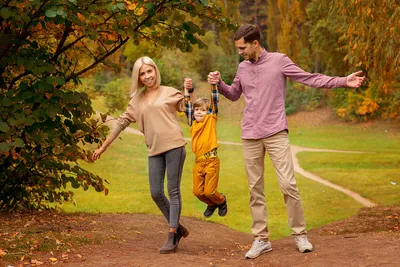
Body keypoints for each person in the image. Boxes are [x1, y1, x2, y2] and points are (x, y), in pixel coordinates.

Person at [207, 24, 365, 259]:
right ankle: (261, 239)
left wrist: (343, 81)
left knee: (288, 184)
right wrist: (218, 84)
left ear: (255, 43)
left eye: (242, 48)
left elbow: (310, 78)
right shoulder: (242, 67)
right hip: (250, 134)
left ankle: (300, 235)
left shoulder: (279, 61)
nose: (240, 52)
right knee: (255, 189)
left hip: (275, 131)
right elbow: (234, 94)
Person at [92, 56, 189, 254]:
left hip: (174, 146)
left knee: (173, 191)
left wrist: (188, 93)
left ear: (156, 71)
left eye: (149, 71)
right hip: (154, 149)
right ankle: (178, 228)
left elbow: (188, 111)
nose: (147, 76)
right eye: (142, 73)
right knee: (156, 193)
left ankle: (172, 235)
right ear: (138, 77)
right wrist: (103, 147)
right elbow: (120, 124)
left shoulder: (170, 92)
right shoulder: (136, 101)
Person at [182, 78, 228, 218]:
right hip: (198, 163)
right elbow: (187, 105)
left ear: (208, 112)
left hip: (211, 162)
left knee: (209, 192)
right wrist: (186, 90)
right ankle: (212, 204)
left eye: (202, 110)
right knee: (197, 192)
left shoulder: (210, 119)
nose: (198, 112)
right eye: (197, 110)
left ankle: (221, 201)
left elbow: (214, 101)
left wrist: (213, 84)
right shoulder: (193, 123)